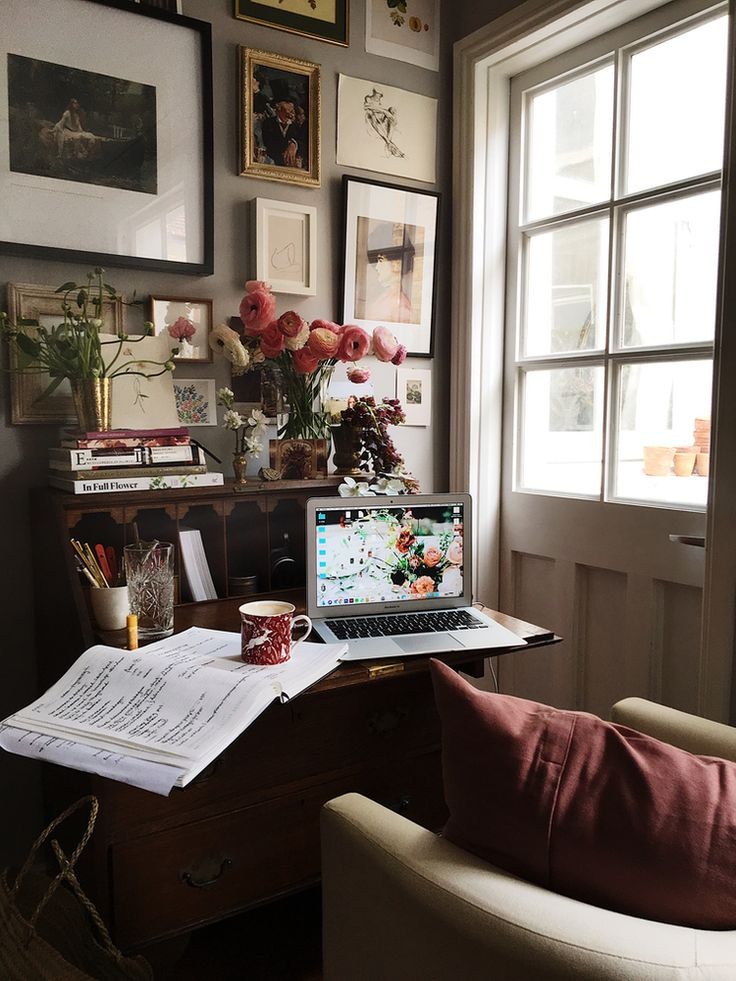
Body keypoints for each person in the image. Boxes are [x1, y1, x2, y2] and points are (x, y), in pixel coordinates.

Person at [260, 99, 304, 169]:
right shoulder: (268, 123)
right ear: (279, 110)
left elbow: (302, 142)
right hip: (273, 163)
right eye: (288, 110)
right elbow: (268, 143)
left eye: (292, 109)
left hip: (292, 164)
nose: (292, 112)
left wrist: (294, 144)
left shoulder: (296, 126)